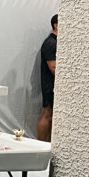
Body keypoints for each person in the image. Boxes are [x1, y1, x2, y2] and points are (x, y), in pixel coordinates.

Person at [37, 13, 58, 142]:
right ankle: (40, 144)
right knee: (47, 115)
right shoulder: (51, 43)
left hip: (53, 85)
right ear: (56, 25)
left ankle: (49, 144)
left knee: (52, 117)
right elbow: (53, 68)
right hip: (50, 85)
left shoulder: (56, 42)